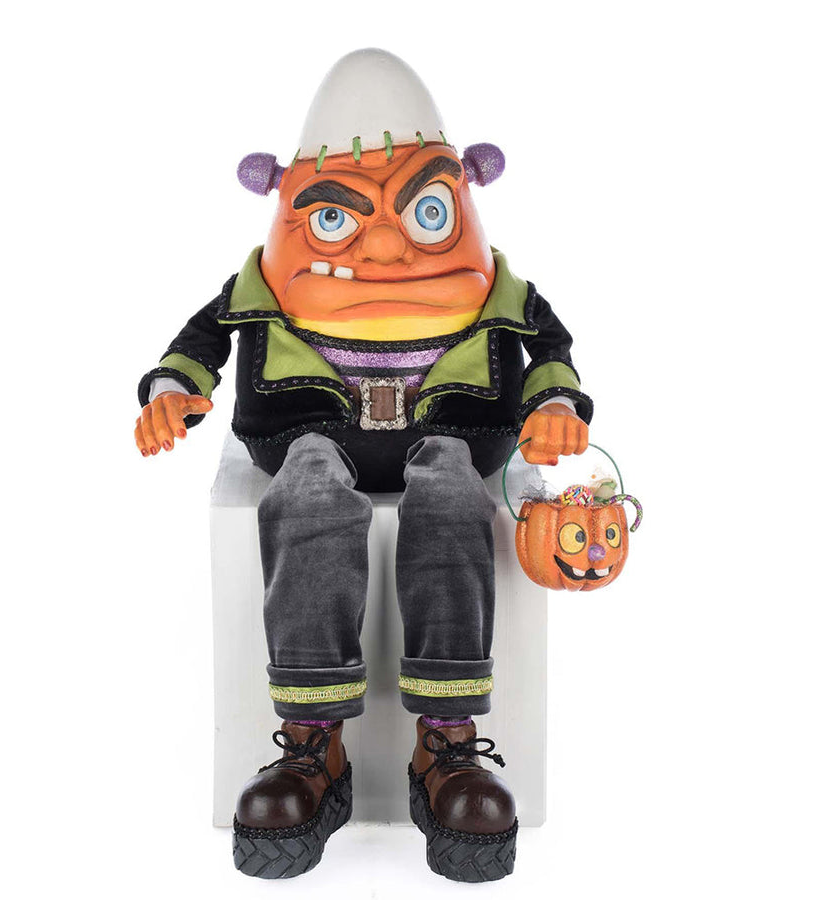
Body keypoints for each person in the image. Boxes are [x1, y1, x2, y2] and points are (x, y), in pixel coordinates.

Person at [134, 49, 591, 882]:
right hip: (306, 434)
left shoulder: (502, 292)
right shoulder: (258, 288)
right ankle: (314, 744)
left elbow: (550, 353)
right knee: (307, 489)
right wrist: (171, 390)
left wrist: (554, 407)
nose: (382, 244)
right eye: (334, 219)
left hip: (456, 435)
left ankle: (446, 740)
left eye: (426, 211)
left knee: (451, 490)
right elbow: (197, 343)